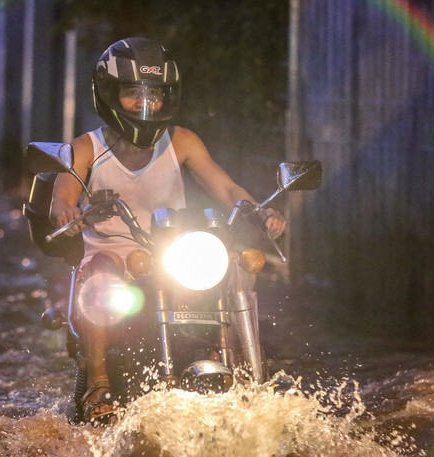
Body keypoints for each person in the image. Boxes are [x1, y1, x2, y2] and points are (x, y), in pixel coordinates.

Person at [50, 37, 286, 425]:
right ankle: (98, 384)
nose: (146, 105)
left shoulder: (181, 140)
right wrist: (69, 212)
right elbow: (64, 196)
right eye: (133, 94)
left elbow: (226, 188)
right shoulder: (85, 148)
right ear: (109, 93)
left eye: (155, 95)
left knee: (233, 267)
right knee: (103, 272)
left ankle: (246, 376)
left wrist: (258, 211)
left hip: (172, 254)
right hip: (115, 258)